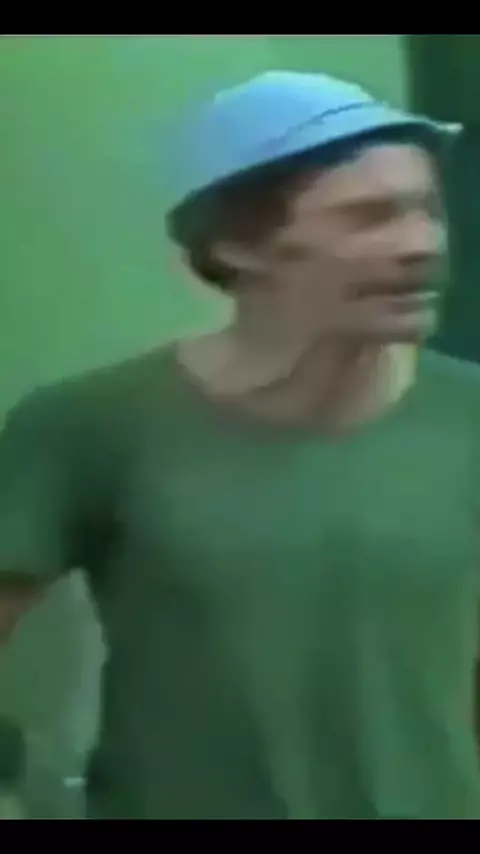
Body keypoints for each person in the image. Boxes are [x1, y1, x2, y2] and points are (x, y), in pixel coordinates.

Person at [0, 69, 478, 820]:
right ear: (238, 245)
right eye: (370, 218)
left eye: (427, 211)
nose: (422, 245)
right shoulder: (88, 425)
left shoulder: (467, 415)